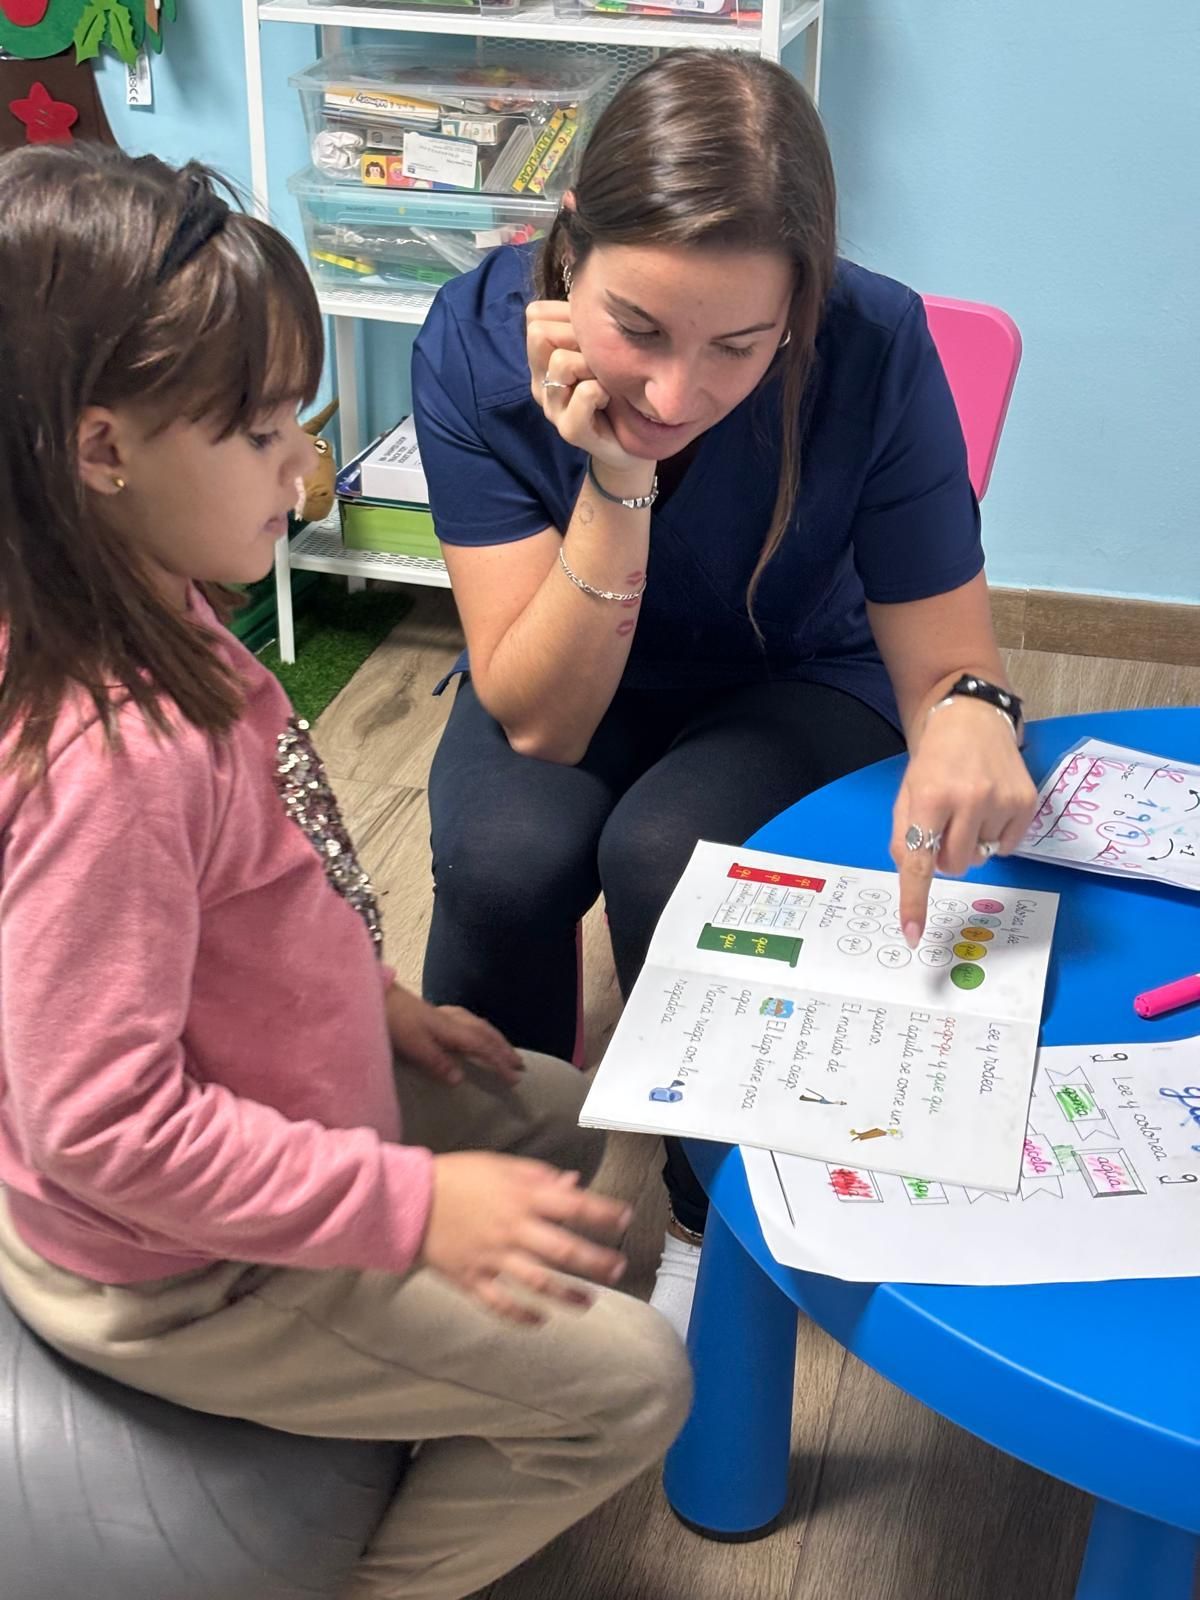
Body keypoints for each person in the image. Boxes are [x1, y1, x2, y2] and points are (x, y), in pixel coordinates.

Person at [0, 144, 691, 1600]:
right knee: (638, 1385)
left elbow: (252, 888)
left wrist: (373, 1003)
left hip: (283, 1094)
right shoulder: (105, 760)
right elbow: (102, 1129)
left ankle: (450, 1383)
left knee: (576, 1133)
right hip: (180, 1271)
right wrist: (415, 1213)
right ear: (104, 449)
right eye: (258, 435)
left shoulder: (152, 602)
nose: (306, 467)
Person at [412, 49, 1039, 1338]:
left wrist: (973, 711)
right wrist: (617, 483)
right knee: (503, 851)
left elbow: (944, 660)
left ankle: (714, 1210)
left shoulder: (875, 345)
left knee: (670, 852)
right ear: (565, 248)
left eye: (739, 347)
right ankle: (495, 1192)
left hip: (797, 673)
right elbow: (540, 720)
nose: (677, 391)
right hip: (571, 655)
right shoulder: (472, 346)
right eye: (636, 328)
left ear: (800, 310)